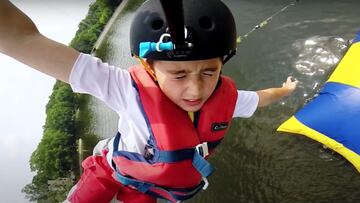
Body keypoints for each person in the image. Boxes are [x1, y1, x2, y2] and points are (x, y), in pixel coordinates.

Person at [0, 0, 298, 202]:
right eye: (178, 75)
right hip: (113, 171)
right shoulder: (123, 88)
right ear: (148, 68)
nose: (195, 90)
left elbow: (258, 99)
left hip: (154, 188)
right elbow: (21, 38)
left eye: (209, 71)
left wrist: (284, 89)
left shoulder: (225, 100)